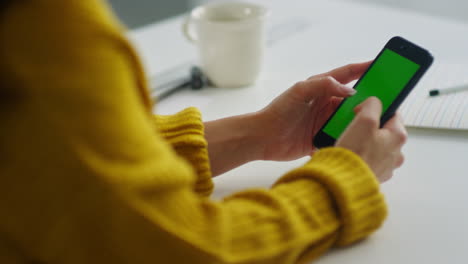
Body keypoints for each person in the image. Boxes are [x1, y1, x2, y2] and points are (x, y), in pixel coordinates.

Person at [0, 0, 407, 263]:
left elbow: (46, 157)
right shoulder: (46, 29)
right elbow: (185, 250)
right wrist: (345, 179)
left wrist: (257, 134)